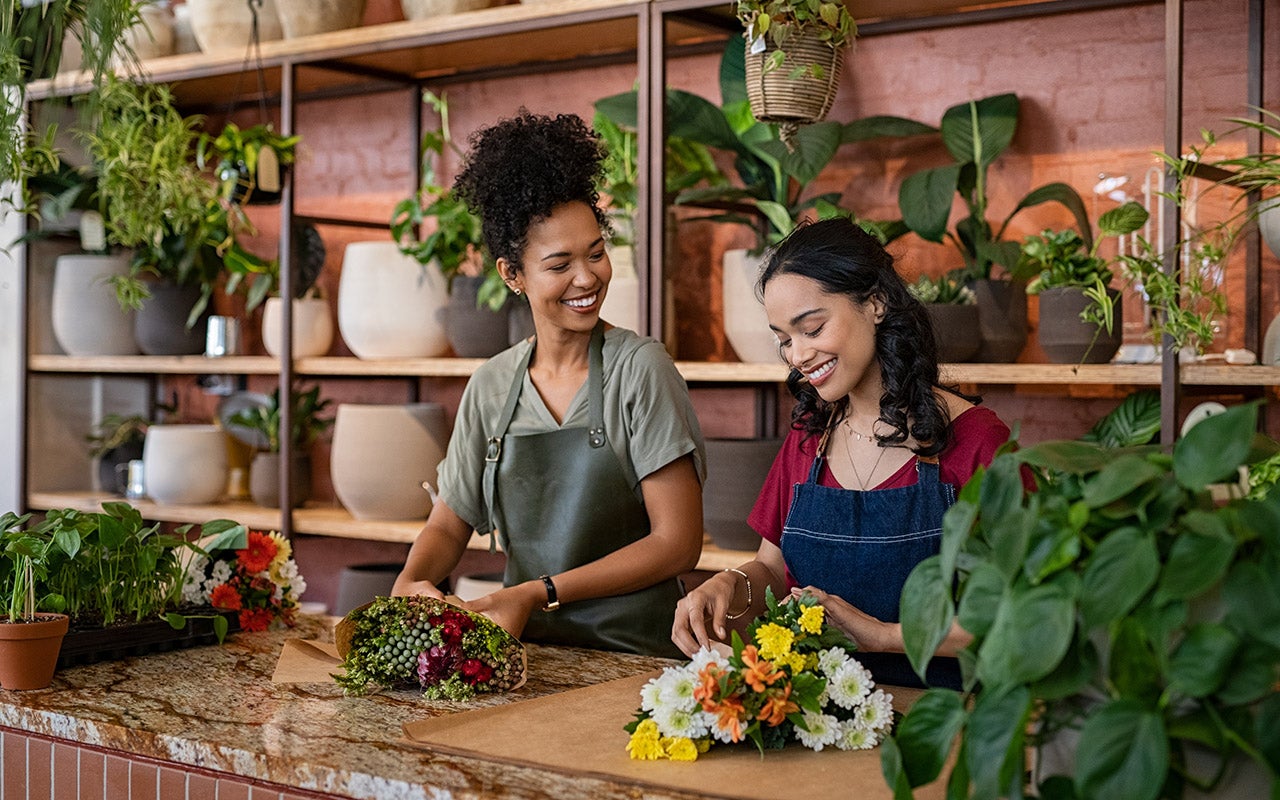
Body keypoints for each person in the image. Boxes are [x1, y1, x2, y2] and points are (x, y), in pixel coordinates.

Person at [392, 111, 705, 659]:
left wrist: (537, 593)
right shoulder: (491, 387)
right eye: (559, 264)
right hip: (531, 655)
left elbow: (677, 544)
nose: (586, 278)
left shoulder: (641, 370)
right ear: (512, 275)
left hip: (636, 657)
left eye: (596, 253)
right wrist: (410, 585)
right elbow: (448, 525)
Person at [671, 217, 1012, 688]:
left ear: (876, 302)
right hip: (814, 713)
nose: (798, 355)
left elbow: (1018, 615)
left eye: (812, 328)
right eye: (784, 339)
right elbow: (772, 567)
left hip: (939, 719)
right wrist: (731, 585)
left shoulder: (977, 442)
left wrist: (883, 635)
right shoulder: (810, 438)